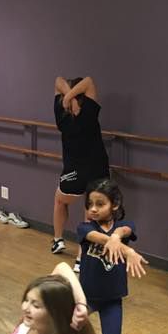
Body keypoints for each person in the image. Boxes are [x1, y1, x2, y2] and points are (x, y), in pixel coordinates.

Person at [76, 178, 148, 334]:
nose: (93, 209)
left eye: (100, 204)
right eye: (90, 205)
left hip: (112, 301)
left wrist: (118, 238)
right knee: (64, 332)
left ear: (114, 204)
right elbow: (96, 238)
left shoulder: (124, 227)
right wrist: (128, 251)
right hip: (85, 297)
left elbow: (127, 228)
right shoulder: (85, 227)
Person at [51, 76, 110, 264]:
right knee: (90, 210)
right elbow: (89, 82)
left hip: (74, 171)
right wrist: (73, 98)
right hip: (97, 168)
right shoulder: (89, 112)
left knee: (60, 201)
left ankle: (58, 240)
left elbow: (58, 80)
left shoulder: (62, 114)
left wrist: (68, 98)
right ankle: (80, 257)